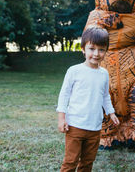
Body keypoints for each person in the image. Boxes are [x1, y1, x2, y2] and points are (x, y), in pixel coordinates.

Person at [57, 27, 120, 172]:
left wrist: (111, 113)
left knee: (87, 162)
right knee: (70, 162)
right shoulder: (74, 71)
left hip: (95, 127)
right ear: (83, 49)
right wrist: (61, 118)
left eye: (101, 49)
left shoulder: (104, 74)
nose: (96, 54)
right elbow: (64, 95)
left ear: (106, 51)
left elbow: (105, 95)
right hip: (75, 126)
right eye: (92, 48)